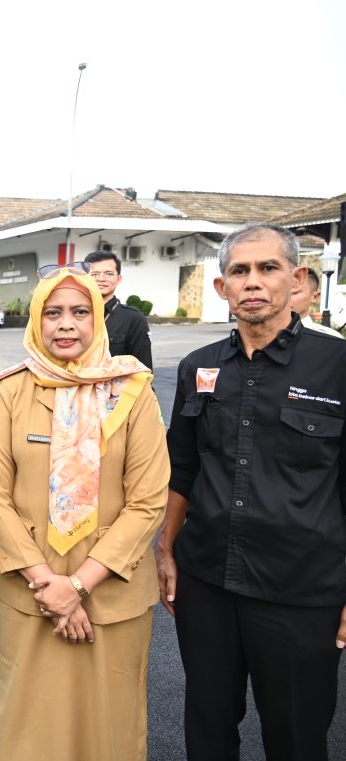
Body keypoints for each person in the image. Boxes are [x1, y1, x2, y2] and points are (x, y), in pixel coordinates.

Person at [157, 224, 346, 761]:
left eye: (268, 268)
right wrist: (166, 549)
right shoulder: (199, 368)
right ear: (222, 288)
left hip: (300, 589)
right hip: (208, 582)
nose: (253, 282)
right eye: (240, 271)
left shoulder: (336, 368)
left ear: (297, 278)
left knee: (296, 736)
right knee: (209, 728)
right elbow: (184, 468)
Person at [0, 261, 169, 761]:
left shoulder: (133, 392)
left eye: (80, 311)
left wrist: (77, 585)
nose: (66, 324)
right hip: (29, 594)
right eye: (53, 312)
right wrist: (49, 586)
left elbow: (148, 500)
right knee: (26, 730)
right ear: (36, 321)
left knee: (108, 730)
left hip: (111, 597)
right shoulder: (10, 391)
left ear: (98, 318)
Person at [83, 251, 153, 370]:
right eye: (94, 274)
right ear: (84, 278)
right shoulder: (72, 315)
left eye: (109, 273)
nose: (101, 279)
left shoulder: (133, 319)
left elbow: (143, 369)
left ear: (119, 279)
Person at [292, 267, 342, 338]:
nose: (286, 298)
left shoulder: (329, 338)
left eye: (294, 293)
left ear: (314, 297)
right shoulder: (271, 335)